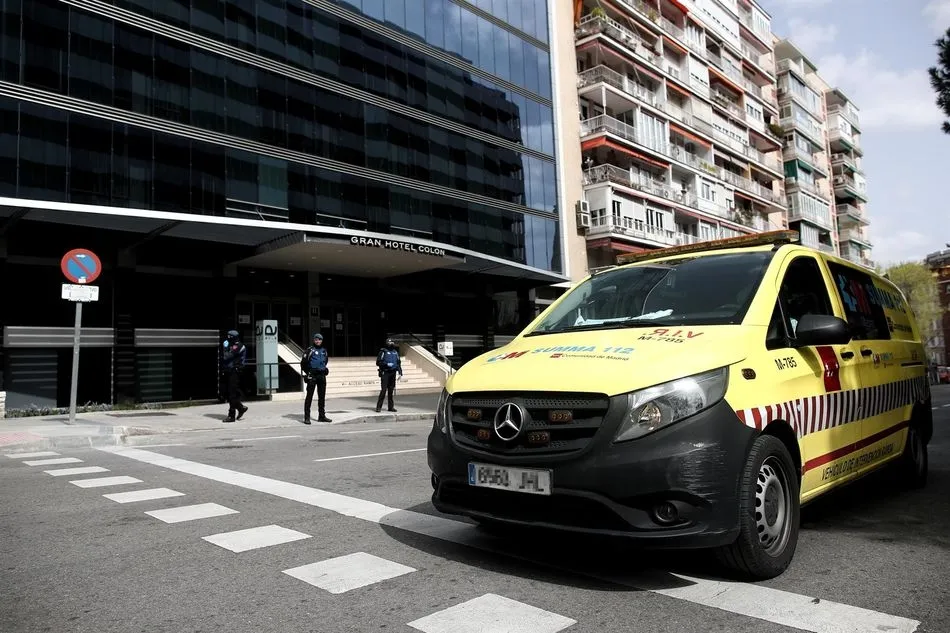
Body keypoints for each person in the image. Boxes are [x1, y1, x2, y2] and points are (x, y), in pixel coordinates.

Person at [300, 333, 332, 424]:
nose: (318, 341)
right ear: (314, 340)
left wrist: (324, 369)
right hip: (312, 376)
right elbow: (303, 364)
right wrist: (308, 373)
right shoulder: (310, 350)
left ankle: (321, 416)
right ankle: (307, 417)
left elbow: (325, 362)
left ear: (322, 341)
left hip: (321, 376)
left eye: (320, 339)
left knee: (322, 397)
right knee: (309, 397)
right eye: (316, 339)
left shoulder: (324, 351)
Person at [221, 329, 248, 422]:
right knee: (226, 393)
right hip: (228, 371)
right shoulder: (231, 345)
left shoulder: (238, 346)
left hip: (235, 372)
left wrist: (225, 348)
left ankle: (231, 415)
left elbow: (227, 356)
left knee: (232, 394)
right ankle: (240, 408)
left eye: (229, 337)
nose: (227, 339)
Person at [375, 337, 403, 413]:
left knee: (391, 391)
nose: (391, 344)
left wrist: (400, 373)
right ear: (386, 343)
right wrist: (386, 364)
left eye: (392, 343)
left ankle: (391, 407)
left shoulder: (395, 352)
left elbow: (398, 363)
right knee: (383, 390)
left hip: (393, 373)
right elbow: (378, 362)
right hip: (385, 373)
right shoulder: (383, 351)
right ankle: (378, 407)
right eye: (389, 343)